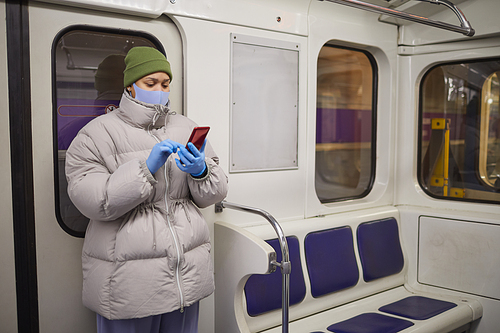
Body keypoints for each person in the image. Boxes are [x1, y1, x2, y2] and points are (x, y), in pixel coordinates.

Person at [65, 46, 228, 333]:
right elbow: (95, 201)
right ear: (130, 86)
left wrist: (201, 172)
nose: (160, 90)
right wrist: (145, 169)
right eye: (150, 83)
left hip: (185, 278)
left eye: (165, 84)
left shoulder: (184, 126)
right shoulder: (95, 134)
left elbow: (215, 193)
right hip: (130, 282)